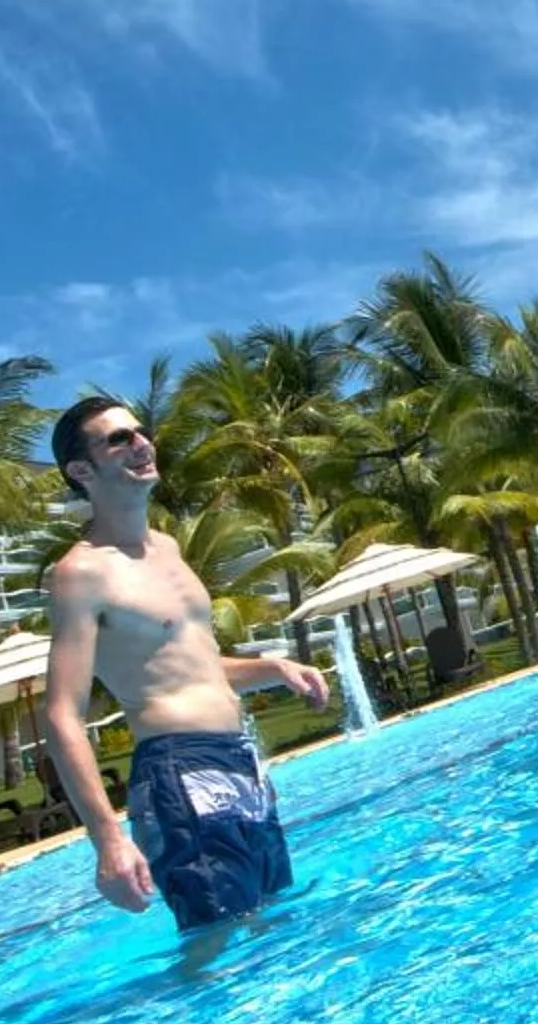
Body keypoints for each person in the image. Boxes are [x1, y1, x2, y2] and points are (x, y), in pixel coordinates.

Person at [42, 396, 336, 926]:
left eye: (140, 431)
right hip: (179, 770)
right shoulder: (81, 573)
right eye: (119, 439)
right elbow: (63, 713)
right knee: (218, 938)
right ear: (82, 470)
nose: (141, 444)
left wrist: (273, 668)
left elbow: (188, 664)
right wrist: (107, 838)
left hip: (239, 760)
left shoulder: (169, 548)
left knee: (272, 919)